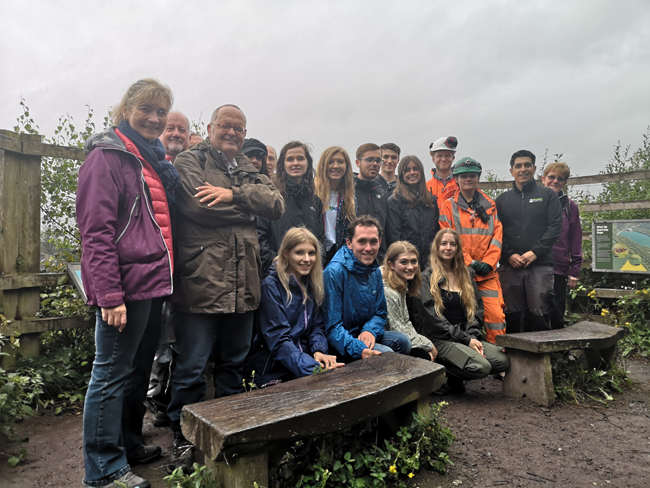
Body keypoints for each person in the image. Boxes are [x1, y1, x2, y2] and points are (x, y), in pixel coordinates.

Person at [168, 104, 284, 473]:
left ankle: (228, 431)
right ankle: (183, 437)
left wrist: (232, 196)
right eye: (226, 126)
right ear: (211, 127)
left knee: (234, 365)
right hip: (202, 280)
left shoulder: (250, 167)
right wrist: (250, 206)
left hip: (243, 283)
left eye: (239, 128)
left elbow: (276, 205)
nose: (232, 133)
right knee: (193, 367)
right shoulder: (190, 160)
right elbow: (198, 207)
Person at [77, 78, 177, 488]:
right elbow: (96, 233)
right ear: (126, 110)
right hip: (125, 288)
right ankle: (102, 469)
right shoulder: (108, 157)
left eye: (161, 112)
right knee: (111, 373)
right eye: (147, 109)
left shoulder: (150, 158)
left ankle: (128, 444)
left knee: (136, 370)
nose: (154, 118)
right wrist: (109, 295)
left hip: (151, 283)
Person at [409, 229, 510, 392]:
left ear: (458, 248)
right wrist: (466, 340)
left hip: (463, 336)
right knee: (481, 367)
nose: (448, 248)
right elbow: (432, 320)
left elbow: (476, 310)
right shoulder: (426, 277)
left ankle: (459, 370)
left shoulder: (466, 274)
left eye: (452, 244)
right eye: (443, 244)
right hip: (439, 338)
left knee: (502, 361)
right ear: (436, 247)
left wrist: (471, 336)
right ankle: (441, 372)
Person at [245, 228, 343, 386]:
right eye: (299, 253)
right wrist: (313, 370)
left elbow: (316, 326)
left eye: (311, 253)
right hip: (271, 369)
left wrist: (319, 350)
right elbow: (278, 339)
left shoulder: (311, 283)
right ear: (286, 253)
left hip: (303, 362)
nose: (307, 259)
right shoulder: (271, 286)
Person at [323, 215, 411, 361]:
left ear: (380, 242)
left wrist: (370, 330)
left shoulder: (374, 270)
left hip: (362, 333)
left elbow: (380, 312)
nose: (368, 248)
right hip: (340, 342)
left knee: (403, 341)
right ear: (349, 243)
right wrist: (358, 348)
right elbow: (332, 327)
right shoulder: (334, 272)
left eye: (373, 242)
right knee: (386, 354)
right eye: (362, 241)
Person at [439, 158, 506, 344]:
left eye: (472, 175)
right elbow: (448, 238)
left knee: (495, 317)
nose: (468, 179)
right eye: (464, 176)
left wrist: (488, 263)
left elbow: (497, 237)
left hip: (487, 274)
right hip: (458, 273)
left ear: (477, 178)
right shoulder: (448, 206)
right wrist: (470, 263)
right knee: (460, 318)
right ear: (457, 179)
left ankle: (497, 359)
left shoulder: (490, 206)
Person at [495, 150, 563, 333]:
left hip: (540, 264)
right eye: (518, 166)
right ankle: (515, 356)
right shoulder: (502, 200)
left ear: (534, 168)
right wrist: (508, 255)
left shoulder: (548, 196)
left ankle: (542, 357)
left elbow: (555, 227)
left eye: (527, 165)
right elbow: (496, 231)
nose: (523, 169)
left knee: (540, 310)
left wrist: (535, 252)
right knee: (511, 312)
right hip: (510, 267)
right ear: (511, 171)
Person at [258, 141, 325, 273]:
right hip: (277, 274)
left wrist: (315, 265)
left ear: (308, 163)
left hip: (309, 274)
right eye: (290, 159)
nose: (295, 163)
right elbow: (260, 237)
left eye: (300, 158)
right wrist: (279, 264)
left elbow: (320, 239)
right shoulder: (271, 197)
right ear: (282, 164)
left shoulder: (315, 201)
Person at [542, 162, 583, 329]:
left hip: (559, 267)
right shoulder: (534, 203)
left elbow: (575, 239)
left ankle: (559, 352)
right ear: (543, 179)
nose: (555, 181)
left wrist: (574, 270)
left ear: (565, 183)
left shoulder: (569, 207)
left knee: (557, 310)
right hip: (535, 264)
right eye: (551, 177)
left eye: (560, 178)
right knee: (536, 309)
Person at [382, 241, 438, 361]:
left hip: (399, 337)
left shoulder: (400, 284)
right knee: (426, 357)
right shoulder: (388, 291)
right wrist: (427, 345)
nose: (410, 267)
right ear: (391, 265)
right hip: (386, 339)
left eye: (414, 261)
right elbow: (396, 328)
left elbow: (405, 321)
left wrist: (424, 343)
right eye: (403, 262)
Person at [386, 156, 440, 269]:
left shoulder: (431, 201)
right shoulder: (394, 201)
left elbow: (435, 233)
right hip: (406, 264)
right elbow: (394, 236)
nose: (412, 173)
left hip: (430, 263)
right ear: (401, 174)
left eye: (415, 169)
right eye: (407, 170)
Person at [315, 146, 356, 264]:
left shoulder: (350, 197)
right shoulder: (312, 192)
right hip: (316, 252)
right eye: (331, 162)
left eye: (340, 162)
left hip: (339, 255)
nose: (336, 166)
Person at [354, 143, 388, 261]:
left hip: (378, 259)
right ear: (358, 162)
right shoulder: (348, 192)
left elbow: (385, 230)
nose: (374, 164)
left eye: (378, 160)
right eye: (369, 160)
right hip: (352, 258)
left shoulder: (383, 193)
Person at [426, 136, 459, 208]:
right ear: (433, 159)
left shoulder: (461, 184)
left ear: (453, 158)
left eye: (447, 156)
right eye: (439, 156)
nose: (443, 159)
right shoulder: (425, 188)